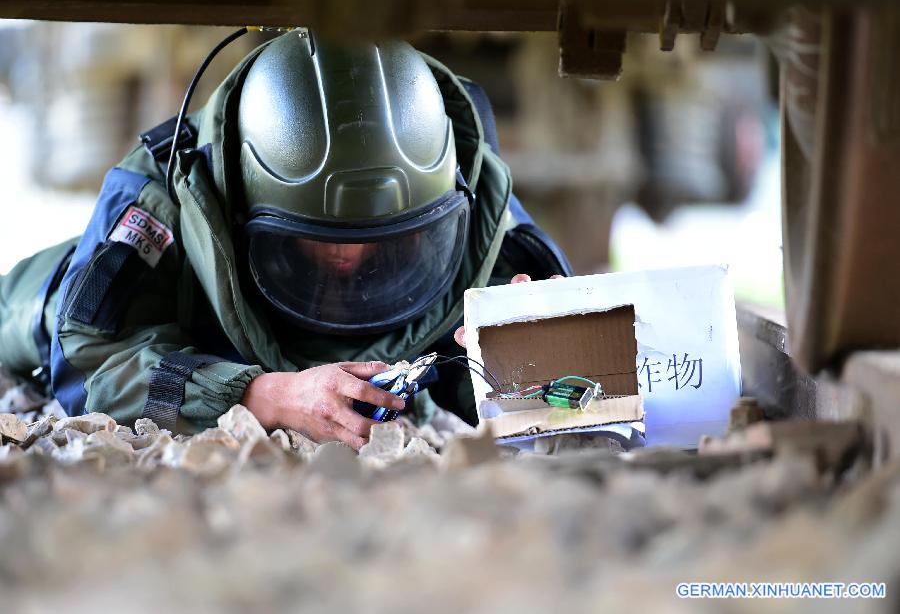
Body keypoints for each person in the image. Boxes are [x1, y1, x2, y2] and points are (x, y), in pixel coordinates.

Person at [0, 30, 570, 448]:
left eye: (383, 250)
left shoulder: (474, 200)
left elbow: (588, 384)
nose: (348, 265)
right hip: (196, 325)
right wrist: (261, 397)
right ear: (239, 210)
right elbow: (92, 359)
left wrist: (514, 358)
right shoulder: (170, 191)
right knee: (40, 306)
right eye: (318, 247)